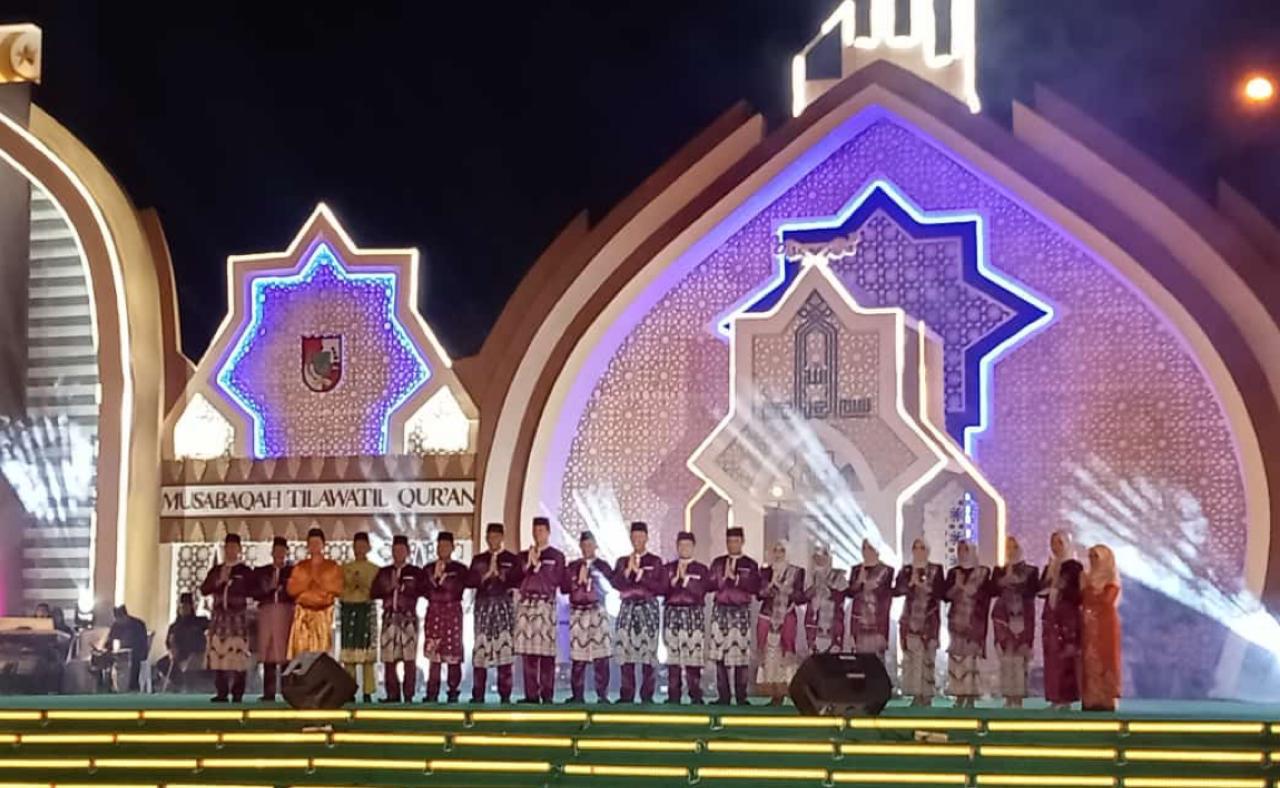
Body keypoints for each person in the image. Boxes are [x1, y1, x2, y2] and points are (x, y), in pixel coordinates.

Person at [611, 521, 665, 704]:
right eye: (634, 536)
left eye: (641, 536)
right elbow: (615, 584)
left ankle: (647, 695)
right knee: (626, 653)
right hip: (627, 609)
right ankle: (627, 694)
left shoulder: (655, 561)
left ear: (647, 538)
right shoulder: (622, 561)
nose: (637, 540)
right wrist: (627, 572)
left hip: (648, 610)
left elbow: (661, 587)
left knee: (648, 653)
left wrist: (642, 575)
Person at [467, 522, 520, 703]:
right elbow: (469, 581)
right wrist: (485, 576)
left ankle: (505, 694)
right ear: (486, 538)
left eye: (496, 536)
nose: (493, 540)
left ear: (502, 538)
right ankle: (478, 694)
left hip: (503, 607)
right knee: (480, 651)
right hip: (483, 607)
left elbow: (518, 580)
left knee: (504, 651)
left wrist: (501, 576)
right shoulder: (479, 560)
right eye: (490, 537)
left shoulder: (511, 559)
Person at [515, 516, 565, 703]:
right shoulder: (523, 556)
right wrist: (528, 565)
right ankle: (531, 695)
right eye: (535, 531)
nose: (538, 534)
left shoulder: (556, 556)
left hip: (545, 605)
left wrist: (539, 566)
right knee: (528, 653)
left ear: (548, 532)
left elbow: (558, 580)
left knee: (547, 652)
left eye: (541, 530)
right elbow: (514, 579)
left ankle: (547, 693)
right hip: (526, 605)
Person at [708, 526, 760, 706]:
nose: (732, 545)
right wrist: (722, 578)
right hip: (720, 611)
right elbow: (709, 584)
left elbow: (755, 587)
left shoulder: (750, 564)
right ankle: (723, 696)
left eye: (736, 541)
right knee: (720, 657)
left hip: (740, 613)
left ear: (742, 542)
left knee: (741, 657)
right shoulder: (718, 563)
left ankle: (741, 696)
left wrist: (737, 579)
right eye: (729, 541)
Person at [200, 533, 254, 702]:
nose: (230, 551)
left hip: (237, 618)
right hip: (219, 618)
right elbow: (204, 590)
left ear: (239, 549)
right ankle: (221, 692)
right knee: (219, 655)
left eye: (234, 547)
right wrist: (219, 581)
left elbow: (254, 590)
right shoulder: (216, 570)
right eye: (228, 547)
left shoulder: (244, 571)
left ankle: (238, 693)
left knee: (238, 655)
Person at [562, 530, 612, 704]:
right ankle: (577, 695)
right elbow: (564, 588)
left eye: (590, 545)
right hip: (578, 611)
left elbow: (611, 586)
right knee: (578, 657)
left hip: (597, 611)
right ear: (580, 546)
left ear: (595, 546)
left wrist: (594, 577)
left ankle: (602, 695)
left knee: (601, 657)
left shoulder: (603, 566)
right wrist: (577, 581)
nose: (587, 548)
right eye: (584, 545)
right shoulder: (573, 566)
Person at [894, 538, 945, 706]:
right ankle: (915, 696)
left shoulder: (936, 569)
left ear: (927, 550)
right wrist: (911, 582)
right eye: (915, 548)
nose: (918, 551)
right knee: (911, 660)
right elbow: (897, 591)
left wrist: (924, 586)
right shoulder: (907, 570)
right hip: (910, 622)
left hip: (929, 620)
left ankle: (927, 697)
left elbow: (941, 593)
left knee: (927, 659)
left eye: (922, 548)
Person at [991, 536, 1039, 708]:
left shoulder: (1031, 571)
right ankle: (1007, 697)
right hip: (1002, 619)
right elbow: (991, 591)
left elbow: (1033, 592)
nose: (1011, 551)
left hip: (1023, 618)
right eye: (1008, 547)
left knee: (1020, 659)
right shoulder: (999, 571)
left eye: (1014, 547)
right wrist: (1004, 580)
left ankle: (1018, 699)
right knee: (1006, 658)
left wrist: (1018, 582)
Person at [420, 530, 468, 703]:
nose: (443, 549)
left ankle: (453, 690)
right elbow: (423, 590)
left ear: (453, 548)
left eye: (446, 546)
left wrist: (444, 582)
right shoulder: (428, 569)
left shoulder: (459, 569)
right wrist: (435, 578)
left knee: (453, 653)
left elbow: (463, 586)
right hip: (434, 612)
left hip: (452, 612)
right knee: (434, 654)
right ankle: (432, 692)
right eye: (440, 546)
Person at [372, 535, 420, 703]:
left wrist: (403, 587)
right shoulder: (384, 572)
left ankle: (409, 694)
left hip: (408, 618)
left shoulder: (415, 572)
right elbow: (373, 592)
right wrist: (388, 588)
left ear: (408, 552)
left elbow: (422, 591)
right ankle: (392, 694)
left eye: (401, 550)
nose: (398, 553)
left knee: (409, 658)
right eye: (395, 550)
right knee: (389, 659)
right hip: (389, 618)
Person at [663, 531, 710, 704]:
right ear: (677, 547)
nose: (684, 548)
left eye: (688, 545)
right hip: (672, 615)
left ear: (693, 547)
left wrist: (686, 582)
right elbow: (660, 589)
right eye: (681, 545)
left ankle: (695, 695)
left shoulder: (701, 569)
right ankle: (673, 695)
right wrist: (673, 582)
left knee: (693, 659)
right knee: (673, 658)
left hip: (693, 616)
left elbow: (702, 590)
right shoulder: (668, 568)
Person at [944, 539, 992, 708]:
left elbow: (984, 595)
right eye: (960, 550)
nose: (962, 553)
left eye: (966, 549)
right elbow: (945, 595)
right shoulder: (954, 572)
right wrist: (957, 587)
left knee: (971, 660)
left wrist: (964, 588)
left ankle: (971, 697)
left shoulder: (983, 572)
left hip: (974, 621)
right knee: (957, 659)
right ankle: (959, 696)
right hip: (956, 621)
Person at [1040, 529, 1084, 709]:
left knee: (1066, 657)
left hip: (1067, 619)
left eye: (1059, 542)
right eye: (1052, 542)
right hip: (1051, 617)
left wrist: (1060, 591)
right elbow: (1039, 589)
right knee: (1051, 659)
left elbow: (1078, 594)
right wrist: (1050, 587)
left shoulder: (1074, 567)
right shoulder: (1051, 566)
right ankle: (1054, 697)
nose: (1055, 547)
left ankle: (1066, 699)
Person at [756, 539, 804, 705]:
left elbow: (799, 597)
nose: (778, 554)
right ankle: (773, 694)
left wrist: (785, 589)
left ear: (787, 553)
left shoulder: (797, 572)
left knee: (786, 653)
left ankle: (785, 692)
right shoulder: (765, 571)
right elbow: (760, 594)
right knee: (769, 654)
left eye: (781, 550)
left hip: (787, 615)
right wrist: (771, 584)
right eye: (775, 550)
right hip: (767, 616)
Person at [286, 527, 344, 658]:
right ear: (307, 545)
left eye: (317, 543)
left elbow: (338, 588)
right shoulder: (300, 567)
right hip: (303, 614)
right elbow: (291, 590)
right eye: (311, 543)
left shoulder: (332, 566)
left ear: (323, 545)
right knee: (302, 654)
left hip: (323, 615)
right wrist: (306, 583)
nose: (314, 546)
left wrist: (320, 582)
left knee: (321, 655)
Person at [251, 536, 293, 702]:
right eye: (276, 551)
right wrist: (267, 588)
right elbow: (253, 592)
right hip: (267, 612)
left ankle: (287, 692)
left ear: (287, 552)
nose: (279, 554)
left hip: (286, 612)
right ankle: (268, 693)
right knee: (268, 652)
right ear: (272, 552)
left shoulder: (292, 572)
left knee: (285, 653)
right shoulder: (261, 572)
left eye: (282, 551)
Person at [1081, 544, 1122, 712]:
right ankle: (1091, 698)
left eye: (1096, 557)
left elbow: (1107, 601)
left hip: (1106, 625)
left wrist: (1089, 589)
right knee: (1089, 659)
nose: (1092, 560)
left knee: (1106, 657)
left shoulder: (1112, 579)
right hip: (1089, 624)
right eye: (1090, 557)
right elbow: (1085, 599)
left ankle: (1107, 698)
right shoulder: (1087, 577)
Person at [340, 532, 379, 702]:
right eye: (357, 546)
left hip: (366, 609)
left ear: (369, 547)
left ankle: (368, 691)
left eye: (363, 546)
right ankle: (349, 690)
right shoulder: (344, 568)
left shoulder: (375, 569)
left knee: (367, 654)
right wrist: (351, 585)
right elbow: (339, 591)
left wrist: (362, 584)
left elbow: (377, 591)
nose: (360, 549)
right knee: (349, 654)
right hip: (349, 609)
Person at [847, 539, 894, 657]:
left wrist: (868, 583)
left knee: (876, 663)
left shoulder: (887, 570)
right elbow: (850, 593)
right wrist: (859, 581)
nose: (866, 551)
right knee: (860, 663)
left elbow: (884, 595)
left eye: (870, 548)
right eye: (864, 548)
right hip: (859, 626)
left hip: (877, 626)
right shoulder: (856, 570)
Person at [802, 542, 846, 654]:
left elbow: (841, 597)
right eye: (817, 557)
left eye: (823, 556)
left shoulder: (838, 576)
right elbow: (803, 598)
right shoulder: (809, 577)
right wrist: (815, 589)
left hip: (833, 625)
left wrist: (828, 590)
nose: (820, 560)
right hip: (813, 624)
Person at [163, 592, 209, 692]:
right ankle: (179, 685)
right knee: (162, 664)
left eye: (187, 607)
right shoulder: (174, 626)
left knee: (190, 667)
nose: (184, 609)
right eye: (182, 607)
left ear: (191, 608)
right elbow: (168, 642)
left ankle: (187, 687)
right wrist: (171, 652)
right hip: (178, 655)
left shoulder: (199, 622)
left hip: (196, 655)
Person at [106, 605, 149, 692]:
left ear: (125, 616)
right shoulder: (116, 626)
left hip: (135, 653)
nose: (119, 622)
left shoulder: (138, 625)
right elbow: (110, 641)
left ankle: (132, 686)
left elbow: (142, 644)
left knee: (133, 661)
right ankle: (111, 685)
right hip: (118, 654)